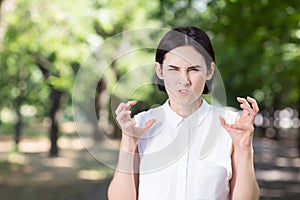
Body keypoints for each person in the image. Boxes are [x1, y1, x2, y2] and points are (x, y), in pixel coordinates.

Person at [108, 26, 260, 200]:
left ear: (210, 71)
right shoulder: (140, 125)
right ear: (160, 71)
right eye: (174, 69)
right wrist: (128, 144)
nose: (184, 80)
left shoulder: (232, 126)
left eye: (193, 69)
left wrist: (244, 149)